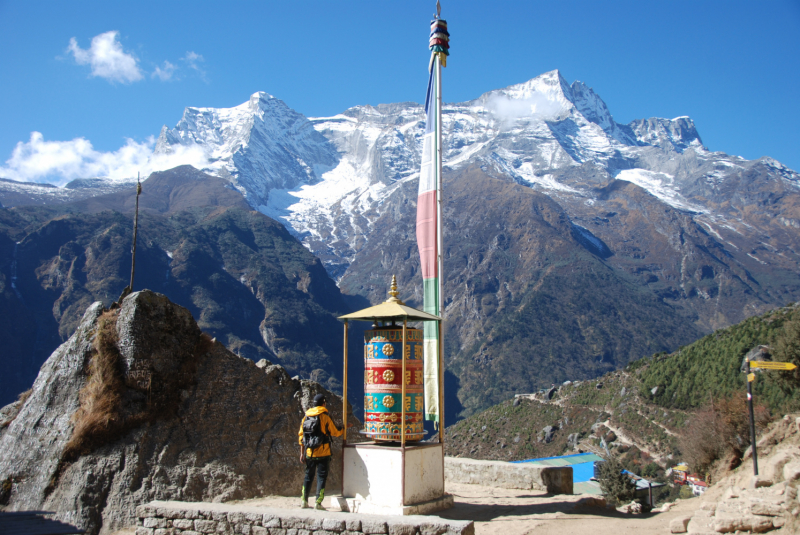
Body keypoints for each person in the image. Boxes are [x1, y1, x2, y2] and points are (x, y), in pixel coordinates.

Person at [297, 393, 345, 510]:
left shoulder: (306, 417)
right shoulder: (325, 417)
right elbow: (335, 432)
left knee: (308, 476)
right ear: (323, 403)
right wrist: (344, 428)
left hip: (309, 452)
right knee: (321, 477)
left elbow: (301, 437)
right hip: (323, 452)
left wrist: (302, 453)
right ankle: (318, 503)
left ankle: (304, 501)